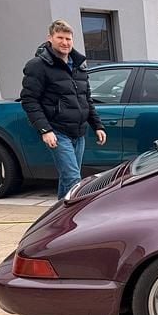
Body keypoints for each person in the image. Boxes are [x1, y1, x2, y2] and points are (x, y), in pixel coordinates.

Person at [20, 19, 107, 199]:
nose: (65, 42)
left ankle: (57, 217)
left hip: (78, 132)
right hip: (58, 131)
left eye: (68, 39)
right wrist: (45, 130)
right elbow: (30, 100)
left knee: (67, 177)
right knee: (74, 179)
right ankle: (72, 219)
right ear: (50, 38)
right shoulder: (38, 66)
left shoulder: (79, 65)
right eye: (60, 37)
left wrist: (97, 125)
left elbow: (86, 99)